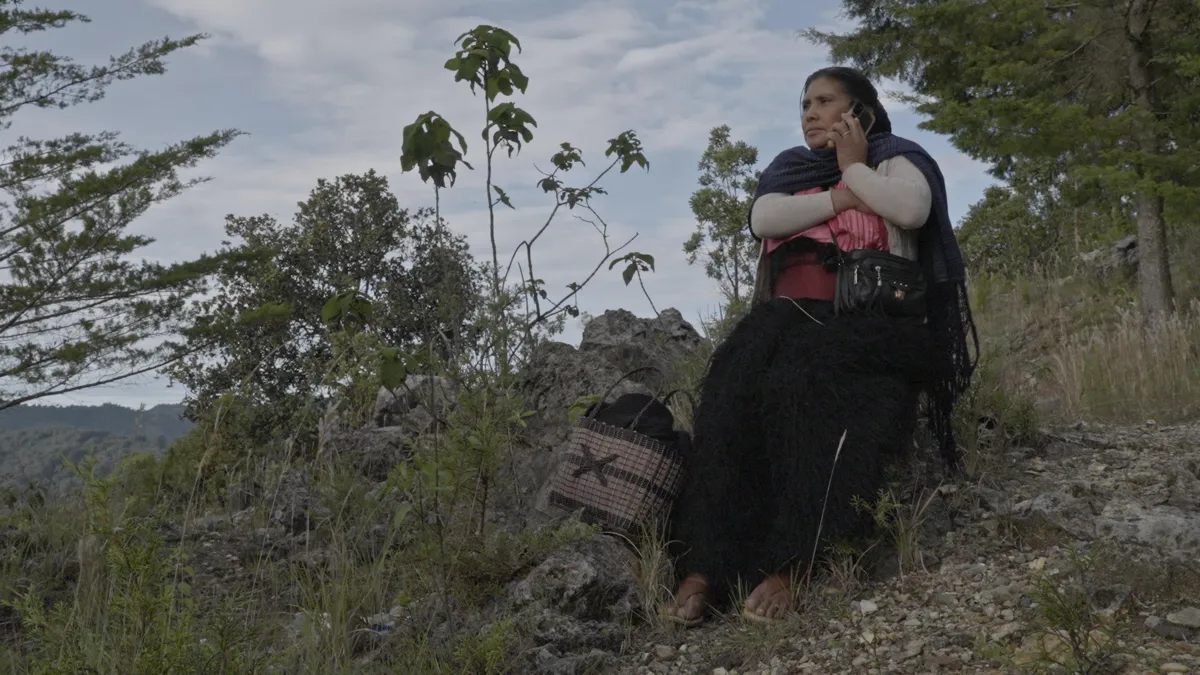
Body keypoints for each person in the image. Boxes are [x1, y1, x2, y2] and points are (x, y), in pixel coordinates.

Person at [661, 66, 977, 626]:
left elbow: (910, 209)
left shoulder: (895, 158)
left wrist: (855, 166)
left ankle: (794, 564)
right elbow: (765, 217)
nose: (809, 112)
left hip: (871, 324)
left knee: (808, 390)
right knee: (730, 396)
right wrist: (840, 194)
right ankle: (709, 561)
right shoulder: (790, 168)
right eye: (805, 102)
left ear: (861, 114)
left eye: (825, 101)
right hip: (785, 317)